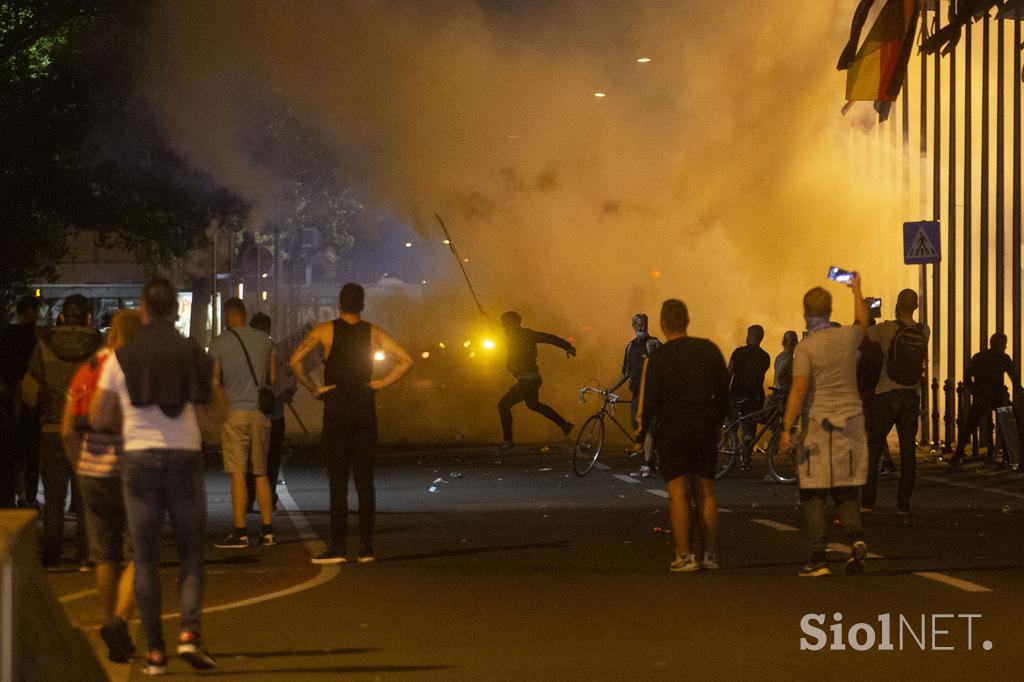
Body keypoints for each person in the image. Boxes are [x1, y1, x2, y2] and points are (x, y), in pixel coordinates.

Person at [91, 278, 227, 674]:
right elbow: (218, 413)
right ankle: (189, 634)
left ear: (143, 310)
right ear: (176, 311)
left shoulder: (121, 357)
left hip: (139, 461)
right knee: (189, 555)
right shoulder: (194, 352)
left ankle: (154, 653)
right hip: (184, 456)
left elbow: (99, 417)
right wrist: (212, 383)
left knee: (145, 558)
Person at [290, 283, 413, 565]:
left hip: (336, 410)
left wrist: (314, 389)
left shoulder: (325, 331)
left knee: (337, 481)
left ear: (339, 304)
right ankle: (367, 547)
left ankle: (337, 546)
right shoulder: (373, 332)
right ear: (362, 304)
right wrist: (381, 384)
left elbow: (295, 361)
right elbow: (406, 360)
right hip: (364, 409)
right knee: (364, 481)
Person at [61, 310, 142, 662]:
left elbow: (67, 429)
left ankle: (112, 624)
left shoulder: (87, 369)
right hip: (132, 471)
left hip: (91, 471)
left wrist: (79, 465)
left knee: (104, 554)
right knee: (143, 553)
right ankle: (121, 622)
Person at [780, 275, 870, 577]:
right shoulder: (847, 338)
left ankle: (818, 557)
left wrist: (786, 427)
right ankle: (856, 536)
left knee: (814, 493)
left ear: (806, 313)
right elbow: (862, 320)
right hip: (852, 424)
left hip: (819, 427)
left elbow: (799, 389)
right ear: (830, 311)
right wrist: (856, 289)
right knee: (845, 489)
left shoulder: (806, 348)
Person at [634, 299, 729, 572]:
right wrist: (719, 423)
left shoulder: (658, 358)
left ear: (663, 324)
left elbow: (649, 400)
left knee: (678, 492)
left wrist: (641, 436)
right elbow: (724, 391)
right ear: (688, 320)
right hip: (704, 427)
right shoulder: (709, 350)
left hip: (673, 430)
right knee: (706, 492)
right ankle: (709, 554)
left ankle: (685, 556)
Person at [22, 294, 102, 568]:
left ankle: (52, 552)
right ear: (88, 318)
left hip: (52, 428)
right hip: (88, 432)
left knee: (54, 497)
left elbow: (29, 393)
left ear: (64, 317)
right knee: (85, 497)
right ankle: (86, 552)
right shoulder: (99, 348)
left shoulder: (44, 346)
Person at [209, 298, 276, 549]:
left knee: (238, 473)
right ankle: (268, 531)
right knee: (261, 472)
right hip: (260, 413)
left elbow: (214, 381)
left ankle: (240, 532)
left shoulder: (219, 343)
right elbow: (271, 378)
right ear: (245, 314)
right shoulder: (263, 341)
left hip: (234, 414)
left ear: (227, 316)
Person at [860, 290, 929, 515]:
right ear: (916, 306)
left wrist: (865, 311)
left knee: (874, 447)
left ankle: (868, 503)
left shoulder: (886, 328)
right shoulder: (924, 331)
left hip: (886, 393)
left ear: (897, 304)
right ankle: (903, 505)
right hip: (911, 394)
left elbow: (861, 337)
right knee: (908, 451)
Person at [497, 311, 576, 450]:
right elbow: (494, 328)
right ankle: (565, 424)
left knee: (503, 405)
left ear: (512, 324)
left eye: (505, 324)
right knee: (533, 405)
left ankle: (508, 441)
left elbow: (548, 338)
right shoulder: (510, 335)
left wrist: (567, 346)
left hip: (529, 380)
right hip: (529, 379)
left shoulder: (526, 335)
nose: (503, 327)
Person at [245, 313, 293, 512]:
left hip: (251, 413)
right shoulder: (278, 352)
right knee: (271, 461)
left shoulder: (245, 352)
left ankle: (248, 499)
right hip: (275, 414)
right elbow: (289, 382)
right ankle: (269, 498)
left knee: (250, 460)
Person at [950, 333, 1018, 468]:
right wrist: (1017, 391)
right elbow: (1014, 378)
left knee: (970, 425)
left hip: (983, 396)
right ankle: (1010, 458)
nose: (1005, 346)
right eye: (1003, 343)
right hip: (998, 396)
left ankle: (957, 456)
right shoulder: (1003, 358)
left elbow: (967, 377)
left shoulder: (979, 357)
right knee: (1007, 424)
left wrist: (976, 391)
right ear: (999, 344)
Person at [0, 295, 42, 508]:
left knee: (14, 453)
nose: (39, 315)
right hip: (27, 401)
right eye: (36, 311)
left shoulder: (7, 334)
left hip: (10, 401)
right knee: (30, 452)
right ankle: (29, 495)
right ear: (27, 312)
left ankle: (16, 495)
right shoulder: (30, 337)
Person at [609, 313, 661, 478]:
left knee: (648, 429)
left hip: (652, 395)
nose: (642, 327)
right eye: (638, 324)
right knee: (636, 426)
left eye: (644, 323)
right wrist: (611, 389)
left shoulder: (654, 343)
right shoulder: (630, 347)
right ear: (633, 326)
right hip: (637, 394)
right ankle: (652, 460)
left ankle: (646, 464)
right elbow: (625, 373)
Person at [727, 325, 770, 467]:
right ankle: (746, 456)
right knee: (749, 428)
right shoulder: (765, 357)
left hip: (736, 395)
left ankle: (734, 450)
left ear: (749, 336)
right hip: (755, 396)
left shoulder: (738, 353)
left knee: (731, 425)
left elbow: (729, 373)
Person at [772, 331, 799, 395]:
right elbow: (777, 378)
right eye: (792, 341)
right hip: (784, 395)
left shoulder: (779, 356)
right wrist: (781, 392)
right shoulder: (788, 359)